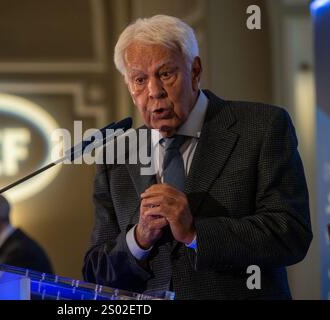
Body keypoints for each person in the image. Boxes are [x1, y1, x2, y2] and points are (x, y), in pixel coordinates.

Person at [82, 15, 312, 299]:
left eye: (166, 74)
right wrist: (139, 238)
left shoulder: (261, 127)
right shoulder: (115, 156)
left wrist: (195, 232)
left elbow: (290, 234)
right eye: (139, 79)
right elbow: (96, 271)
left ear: (195, 70)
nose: (154, 92)